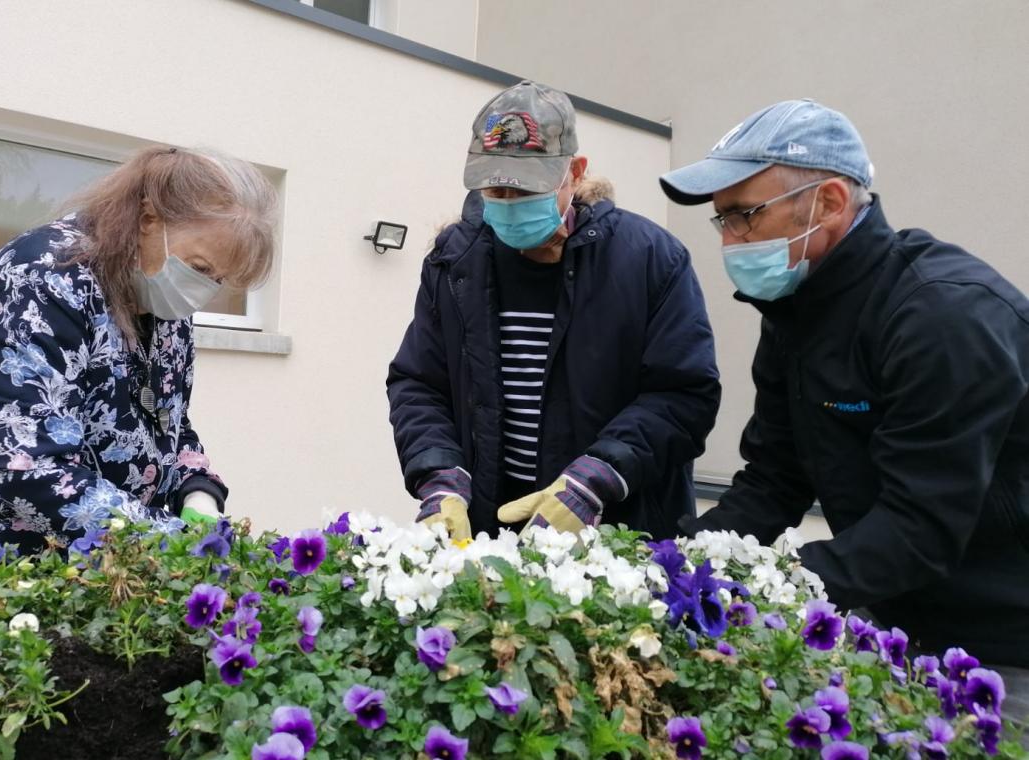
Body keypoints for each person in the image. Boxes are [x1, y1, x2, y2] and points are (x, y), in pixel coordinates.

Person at [661, 99, 1029, 720]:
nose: (728, 240)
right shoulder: (796, 312)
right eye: (720, 221)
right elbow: (774, 480)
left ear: (828, 202)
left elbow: (919, 526)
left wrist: (766, 588)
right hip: (895, 618)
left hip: (1004, 642)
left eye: (744, 215)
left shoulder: (942, 316)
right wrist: (684, 562)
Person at [0, 146, 276, 594]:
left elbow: (168, 425)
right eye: (199, 268)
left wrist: (198, 490)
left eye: (216, 280)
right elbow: (32, 466)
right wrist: (175, 545)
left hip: (109, 568)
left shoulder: (163, 304)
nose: (203, 291)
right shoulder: (40, 279)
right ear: (148, 218)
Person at [387, 80, 720, 542]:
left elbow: (684, 395)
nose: (508, 206)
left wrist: (596, 479)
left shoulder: (649, 259)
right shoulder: (453, 261)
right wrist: (439, 474)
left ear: (576, 172)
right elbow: (419, 382)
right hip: (490, 532)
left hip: (619, 535)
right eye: (496, 190)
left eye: (526, 191)